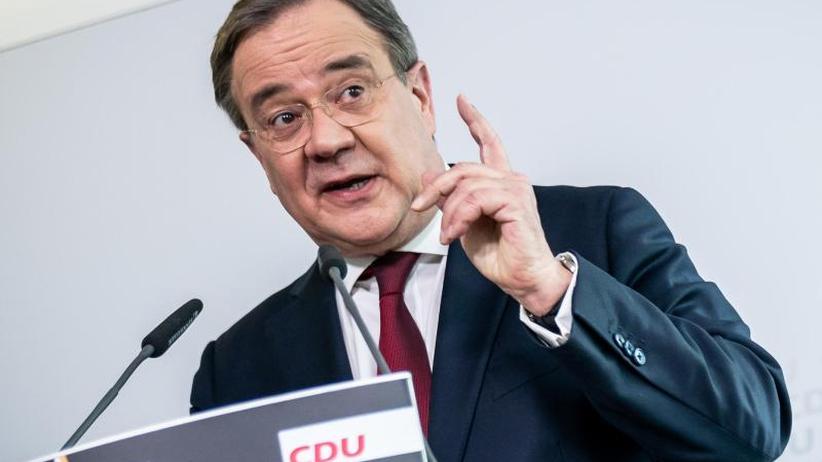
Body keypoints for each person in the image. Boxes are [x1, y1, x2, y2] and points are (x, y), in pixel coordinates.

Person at [190, 0, 791, 460]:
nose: (325, 141)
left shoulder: (593, 230)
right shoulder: (237, 367)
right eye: (284, 118)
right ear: (257, 154)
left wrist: (550, 291)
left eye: (351, 91)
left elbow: (751, 430)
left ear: (420, 97)